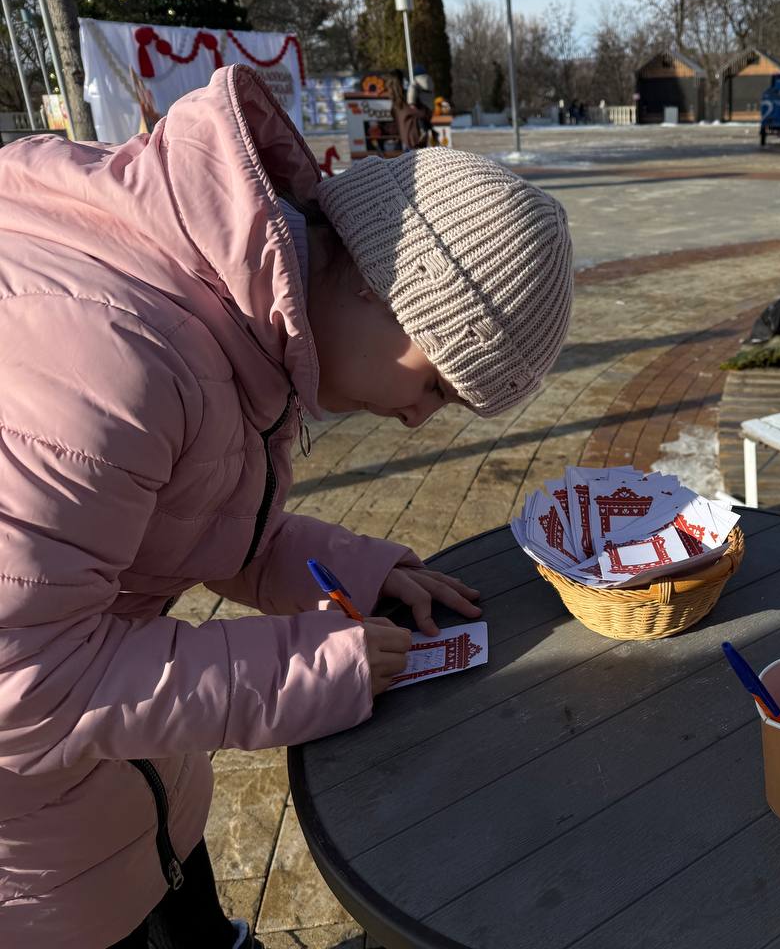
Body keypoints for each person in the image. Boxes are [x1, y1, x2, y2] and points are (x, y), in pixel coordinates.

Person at [0, 65, 574, 948]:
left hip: (123, 801)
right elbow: (27, 688)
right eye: (438, 387)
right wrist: (309, 668)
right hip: (34, 869)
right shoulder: (107, 361)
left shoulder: (228, 310)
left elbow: (174, 525)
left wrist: (352, 570)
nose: (421, 419)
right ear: (384, 288)